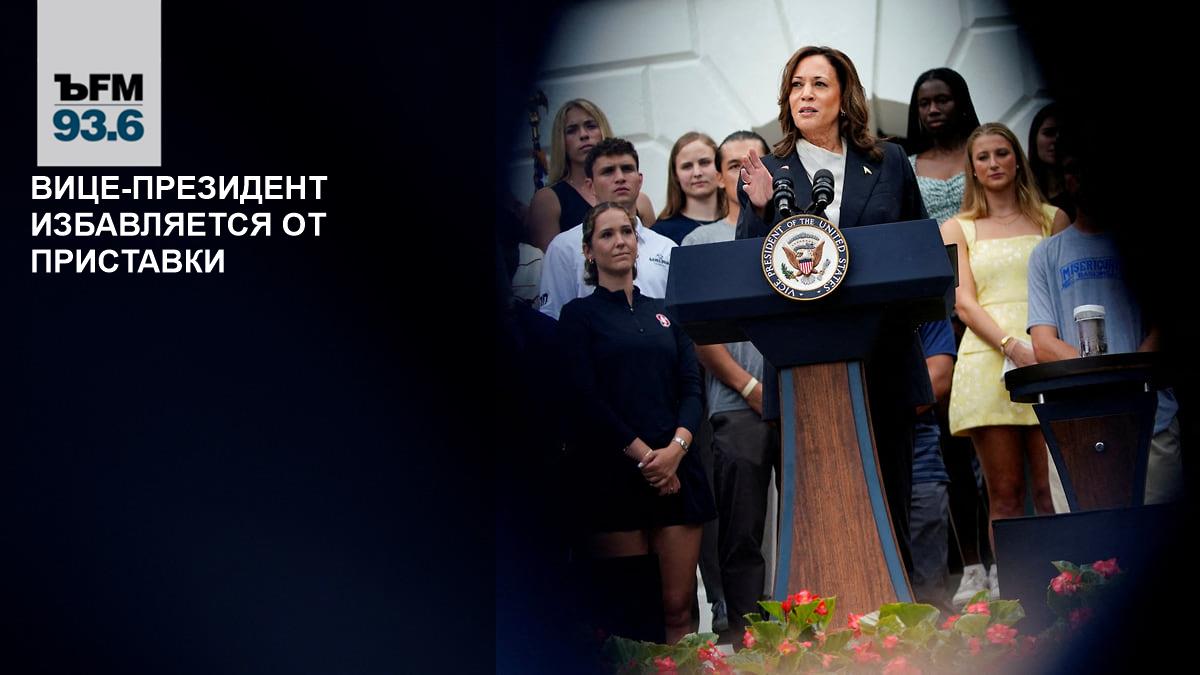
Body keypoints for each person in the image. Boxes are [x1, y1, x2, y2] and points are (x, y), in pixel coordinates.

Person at [735, 45, 931, 570]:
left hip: (883, 357)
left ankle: (903, 611)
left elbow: (917, 251)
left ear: (845, 98)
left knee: (890, 507)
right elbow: (745, 272)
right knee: (819, 517)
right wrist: (760, 208)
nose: (805, 95)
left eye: (819, 84)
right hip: (803, 367)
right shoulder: (766, 171)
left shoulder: (888, 162)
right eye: (796, 86)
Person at [558, 202, 717, 644]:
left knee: (677, 607)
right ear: (588, 250)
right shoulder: (578, 317)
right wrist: (648, 458)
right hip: (613, 476)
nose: (619, 241)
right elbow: (584, 398)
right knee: (630, 617)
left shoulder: (666, 312)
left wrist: (674, 453)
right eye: (606, 235)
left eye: (626, 232)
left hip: (677, 473)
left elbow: (692, 388)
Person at [1026, 127, 1183, 505]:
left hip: (1152, 416)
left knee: (1158, 529)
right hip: (1077, 420)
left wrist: (1130, 379)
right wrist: (1104, 378)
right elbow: (1043, 343)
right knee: (1088, 537)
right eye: (1072, 169)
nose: (1083, 179)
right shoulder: (1046, 254)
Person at [941, 123, 1070, 552]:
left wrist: (1045, 351)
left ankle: (1071, 587)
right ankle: (1013, 588)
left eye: (1002, 153)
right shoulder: (956, 228)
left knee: (1054, 493)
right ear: (972, 169)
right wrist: (1012, 347)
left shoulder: (1053, 219)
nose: (994, 163)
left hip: (1050, 360)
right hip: (988, 363)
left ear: (1018, 159)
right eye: (983, 157)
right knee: (1006, 495)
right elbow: (963, 302)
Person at [681, 130, 777, 638]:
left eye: (754, 162)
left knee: (809, 519)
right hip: (737, 405)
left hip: (801, 399)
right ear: (720, 177)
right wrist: (749, 388)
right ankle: (746, 636)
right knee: (742, 530)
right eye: (734, 164)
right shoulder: (700, 243)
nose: (745, 172)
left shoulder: (793, 229)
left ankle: (812, 630)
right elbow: (700, 335)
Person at [537, 138, 676, 320]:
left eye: (627, 169)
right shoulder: (564, 247)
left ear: (640, 180)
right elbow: (553, 318)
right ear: (590, 186)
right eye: (608, 171)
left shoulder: (667, 248)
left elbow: (681, 321)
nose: (620, 178)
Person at [526, 99, 656, 251]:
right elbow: (551, 260)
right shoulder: (548, 200)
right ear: (561, 140)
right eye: (572, 130)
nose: (583, 135)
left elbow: (654, 251)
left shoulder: (640, 201)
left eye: (591, 126)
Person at [905, 67, 980, 225]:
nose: (933, 110)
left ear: (960, 103)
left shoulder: (984, 154)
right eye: (924, 104)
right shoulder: (909, 166)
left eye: (942, 100)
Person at [653, 132, 728, 245]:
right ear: (675, 175)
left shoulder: (740, 224)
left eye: (704, 162)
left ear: (719, 167)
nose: (697, 173)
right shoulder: (661, 234)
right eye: (687, 166)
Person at [1027, 102, 1074, 221]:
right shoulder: (1025, 189)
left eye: (1064, 133)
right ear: (1035, 138)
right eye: (1049, 133)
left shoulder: (1081, 188)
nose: (1056, 141)